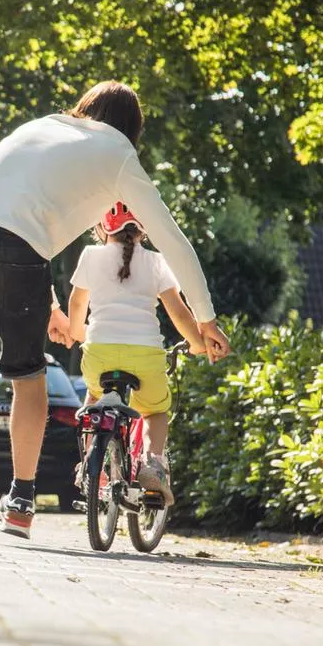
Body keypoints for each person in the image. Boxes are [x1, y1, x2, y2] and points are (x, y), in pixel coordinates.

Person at [0, 80, 230, 542]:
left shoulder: (43, 126)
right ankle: (22, 501)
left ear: (86, 108)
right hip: (16, 251)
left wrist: (48, 300)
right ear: (133, 129)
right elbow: (171, 239)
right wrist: (204, 317)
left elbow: (14, 211)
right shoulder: (120, 156)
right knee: (28, 377)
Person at [67, 203, 211, 507]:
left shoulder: (90, 256)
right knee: (155, 411)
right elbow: (179, 313)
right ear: (143, 229)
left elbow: (78, 304)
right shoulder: (157, 262)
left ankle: (90, 470)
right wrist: (197, 343)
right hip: (145, 355)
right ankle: (152, 466)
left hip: (99, 354)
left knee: (94, 398)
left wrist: (78, 333)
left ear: (103, 228)